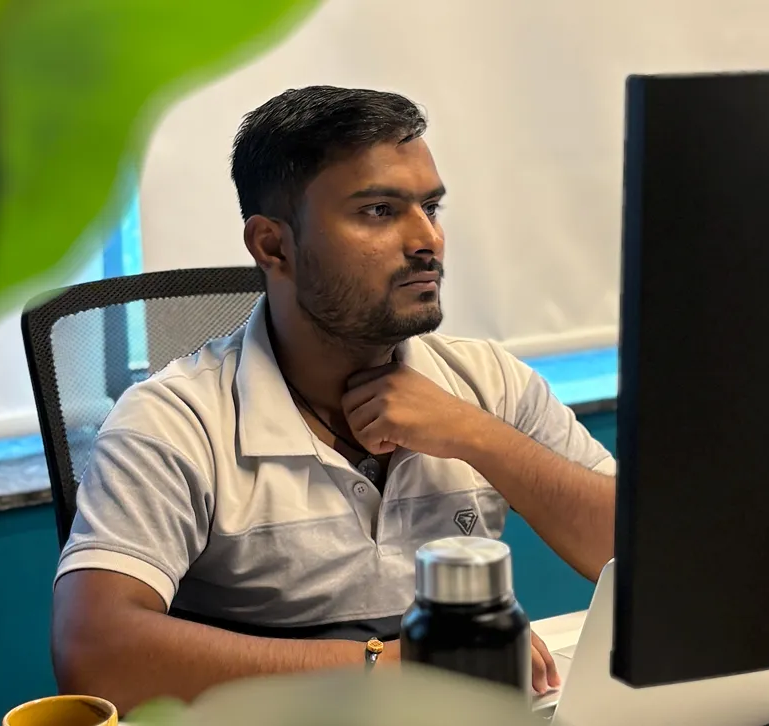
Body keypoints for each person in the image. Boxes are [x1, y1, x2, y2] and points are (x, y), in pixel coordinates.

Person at [51, 86, 616, 714]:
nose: (426, 238)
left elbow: (651, 566)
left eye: (431, 207)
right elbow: (95, 650)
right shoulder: (174, 419)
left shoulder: (486, 381)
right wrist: (386, 667)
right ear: (273, 246)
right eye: (379, 210)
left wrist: (476, 434)